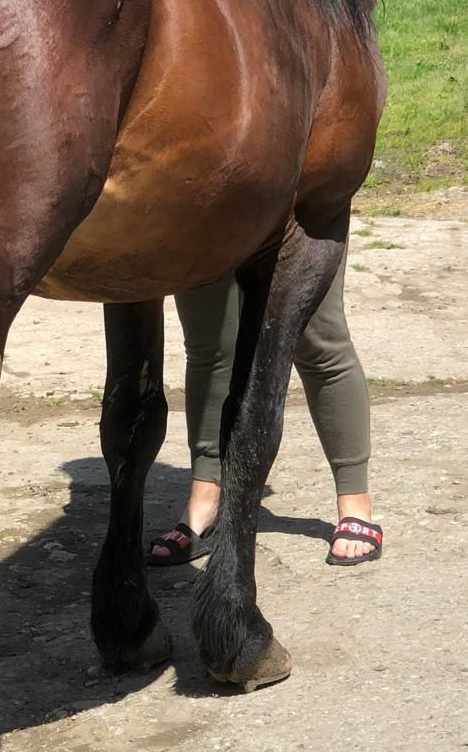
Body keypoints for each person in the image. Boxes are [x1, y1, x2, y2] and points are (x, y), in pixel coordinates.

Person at [148, 242, 382, 567]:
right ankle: (205, 500)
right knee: (210, 347)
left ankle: (355, 500)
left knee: (319, 342)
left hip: (300, 203)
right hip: (201, 206)